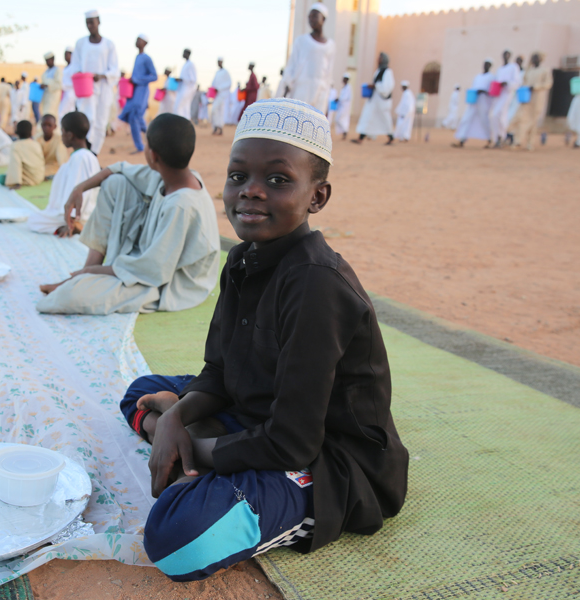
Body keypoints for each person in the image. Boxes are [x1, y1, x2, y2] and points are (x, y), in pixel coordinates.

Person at [117, 98, 408, 581]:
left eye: (277, 180)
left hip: (330, 461)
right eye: (237, 177)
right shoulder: (243, 259)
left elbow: (293, 441)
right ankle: (193, 449)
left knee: (176, 537)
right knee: (140, 389)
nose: (250, 192)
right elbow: (219, 373)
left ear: (317, 197)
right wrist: (179, 416)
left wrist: (182, 433)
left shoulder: (318, 284)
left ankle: (195, 455)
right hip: (259, 414)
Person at [37, 113, 219, 315]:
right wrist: (79, 188)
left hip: (169, 283)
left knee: (67, 297)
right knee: (116, 183)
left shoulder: (181, 206)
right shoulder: (171, 175)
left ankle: (84, 276)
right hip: (151, 262)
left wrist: (93, 272)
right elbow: (117, 169)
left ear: (153, 155)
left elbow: (154, 270)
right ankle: (85, 273)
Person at [28, 111, 101, 235]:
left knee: (34, 221)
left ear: (70, 135)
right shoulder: (87, 156)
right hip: (83, 214)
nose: (61, 136)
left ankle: (74, 225)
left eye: (62, 132)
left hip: (77, 216)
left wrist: (70, 221)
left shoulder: (80, 158)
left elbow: (76, 191)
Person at [69, 10, 120, 155]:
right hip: (86, 88)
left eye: (92, 22)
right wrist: (82, 75)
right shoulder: (80, 43)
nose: (90, 25)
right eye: (87, 23)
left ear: (99, 22)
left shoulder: (109, 44)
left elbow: (115, 69)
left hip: (104, 88)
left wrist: (102, 76)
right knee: (87, 119)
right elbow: (75, 66)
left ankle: (94, 153)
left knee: (101, 122)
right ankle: (85, 150)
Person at [281, 3, 337, 113]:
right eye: (309, 17)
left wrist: (326, 100)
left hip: (320, 92)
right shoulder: (301, 41)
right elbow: (291, 66)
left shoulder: (331, 45)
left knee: (315, 124)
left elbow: (328, 74)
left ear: (323, 19)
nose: (311, 19)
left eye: (315, 16)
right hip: (301, 89)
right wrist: (287, 87)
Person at [118, 34, 157, 154]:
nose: (136, 42)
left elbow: (154, 76)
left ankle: (148, 141)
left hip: (141, 91)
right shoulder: (137, 57)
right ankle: (150, 139)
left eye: (139, 40)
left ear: (144, 43)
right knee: (132, 117)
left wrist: (137, 80)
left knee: (136, 116)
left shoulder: (147, 58)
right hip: (133, 91)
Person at [509, 52, 553, 151]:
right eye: (533, 58)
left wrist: (536, 87)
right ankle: (517, 141)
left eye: (536, 58)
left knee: (533, 121)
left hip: (538, 98)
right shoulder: (528, 70)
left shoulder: (544, 70)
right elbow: (523, 82)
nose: (534, 60)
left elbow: (548, 84)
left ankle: (530, 143)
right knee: (521, 118)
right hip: (526, 98)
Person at [353, 52, 395, 145]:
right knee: (367, 116)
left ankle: (391, 137)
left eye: (379, 58)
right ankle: (360, 138)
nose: (377, 60)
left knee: (384, 119)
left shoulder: (388, 72)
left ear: (384, 59)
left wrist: (375, 86)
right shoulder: (378, 71)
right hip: (374, 100)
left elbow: (387, 87)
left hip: (382, 101)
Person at [453, 59, 495, 148]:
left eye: (488, 64)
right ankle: (462, 139)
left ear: (490, 66)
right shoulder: (477, 77)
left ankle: (489, 140)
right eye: (485, 64)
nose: (486, 66)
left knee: (484, 120)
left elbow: (492, 92)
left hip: (484, 102)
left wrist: (483, 91)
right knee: (466, 119)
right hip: (474, 101)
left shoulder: (491, 77)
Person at [488, 49, 521, 148]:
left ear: (510, 56)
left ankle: (502, 137)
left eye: (507, 54)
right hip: (498, 95)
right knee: (494, 116)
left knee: (499, 115)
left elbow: (517, 82)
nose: (506, 56)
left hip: (507, 94)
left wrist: (507, 83)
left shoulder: (513, 67)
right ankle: (498, 138)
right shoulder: (499, 69)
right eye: (504, 54)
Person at [4, 120, 45, 188]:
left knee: (2, 178)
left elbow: (15, 164)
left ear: (17, 132)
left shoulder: (15, 145)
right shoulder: (36, 144)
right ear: (31, 132)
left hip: (28, 179)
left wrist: (16, 182)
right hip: (39, 177)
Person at [209, 58, 232, 136]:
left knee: (220, 111)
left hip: (222, 95)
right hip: (216, 95)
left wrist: (219, 88)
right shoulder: (217, 72)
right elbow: (213, 83)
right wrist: (212, 89)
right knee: (214, 110)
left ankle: (220, 128)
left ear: (222, 62)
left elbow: (229, 83)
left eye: (219, 62)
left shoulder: (225, 72)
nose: (218, 63)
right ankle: (215, 126)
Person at [174, 49, 197, 119]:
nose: (183, 54)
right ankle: (185, 123)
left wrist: (181, 79)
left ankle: (179, 123)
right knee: (185, 107)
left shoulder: (191, 64)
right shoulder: (185, 64)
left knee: (178, 105)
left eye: (184, 53)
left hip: (188, 88)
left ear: (188, 54)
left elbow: (193, 79)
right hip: (183, 87)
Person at [40, 52, 63, 119]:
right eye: (46, 61)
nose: (47, 62)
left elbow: (59, 84)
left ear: (53, 59)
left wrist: (48, 85)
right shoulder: (46, 72)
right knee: (45, 113)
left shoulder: (57, 70)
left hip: (54, 97)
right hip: (46, 96)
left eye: (48, 60)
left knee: (52, 114)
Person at [57, 47, 77, 121]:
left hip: (70, 92)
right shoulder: (66, 67)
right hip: (64, 92)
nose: (65, 56)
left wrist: (62, 86)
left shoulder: (73, 67)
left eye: (67, 54)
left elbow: (73, 83)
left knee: (63, 112)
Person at [333, 73, 352, 139]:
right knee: (339, 119)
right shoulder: (344, 87)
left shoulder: (348, 87)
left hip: (345, 106)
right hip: (341, 105)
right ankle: (344, 131)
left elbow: (344, 97)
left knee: (339, 119)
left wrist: (338, 99)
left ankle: (345, 131)